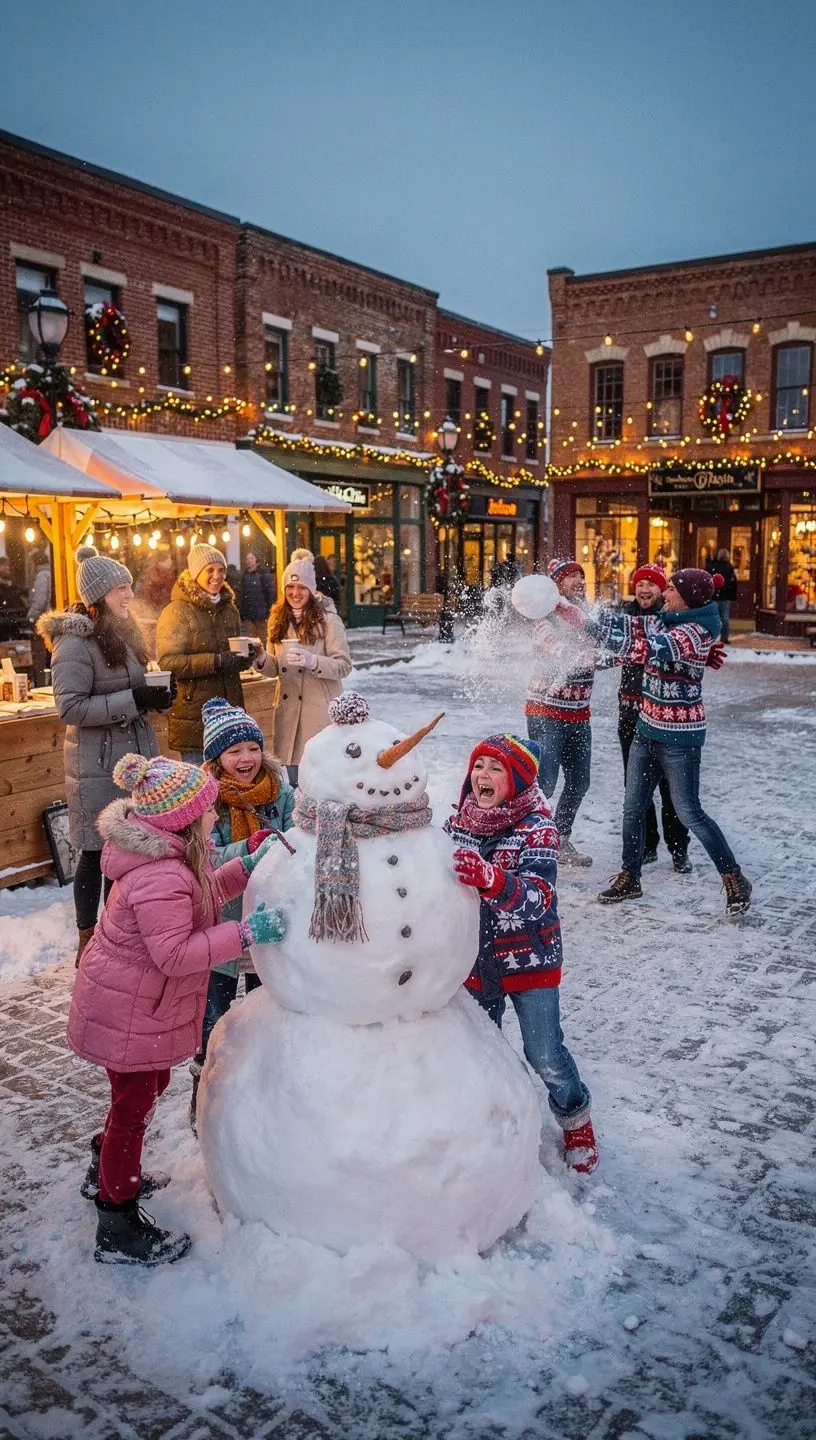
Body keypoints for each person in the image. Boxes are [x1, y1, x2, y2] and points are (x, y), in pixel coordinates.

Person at [67, 752, 285, 1266]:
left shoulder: (173, 859)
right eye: (209, 809)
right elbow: (176, 953)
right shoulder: (159, 876)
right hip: (130, 1008)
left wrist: (244, 866)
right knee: (134, 1105)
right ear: (186, 820)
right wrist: (245, 933)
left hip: (135, 1002)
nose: (215, 814)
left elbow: (203, 892)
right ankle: (115, 1218)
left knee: (143, 1090)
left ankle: (107, 1166)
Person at [445, 734, 598, 1174]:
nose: (483, 777)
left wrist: (494, 880)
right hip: (476, 960)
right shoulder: (457, 825)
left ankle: (576, 1120)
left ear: (515, 779)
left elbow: (540, 897)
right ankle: (490, 1125)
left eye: (495, 769)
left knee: (544, 1052)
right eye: (479, 766)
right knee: (481, 1048)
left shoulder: (537, 828)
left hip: (530, 960)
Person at [566, 568, 752, 915]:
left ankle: (734, 876)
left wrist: (606, 638)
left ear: (688, 598)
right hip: (646, 730)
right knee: (632, 807)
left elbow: (649, 648)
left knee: (689, 811)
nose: (664, 594)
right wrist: (572, 613)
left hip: (679, 739)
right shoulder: (666, 620)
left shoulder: (697, 630)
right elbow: (629, 628)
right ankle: (630, 876)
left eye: (671, 590)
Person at [37, 546, 174, 966]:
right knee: (96, 854)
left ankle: (118, 937)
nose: (130, 595)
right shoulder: (74, 643)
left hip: (134, 761)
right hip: (97, 766)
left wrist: (156, 697)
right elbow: (71, 709)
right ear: (98, 595)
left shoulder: (123, 633)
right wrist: (133, 698)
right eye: (120, 588)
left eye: (130, 586)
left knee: (128, 852)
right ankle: (86, 939)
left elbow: (133, 690)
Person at [188, 696, 296, 1127]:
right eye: (234, 751)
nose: (246, 758)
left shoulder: (280, 789)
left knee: (261, 1013)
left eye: (252, 747)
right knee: (211, 1017)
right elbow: (203, 858)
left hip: (266, 920)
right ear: (217, 758)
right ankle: (202, 1090)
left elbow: (295, 839)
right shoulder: (203, 802)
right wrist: (248, 851)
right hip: (222, 924)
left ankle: (255, 1095)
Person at [524, 558, 604, 866]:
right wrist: (603, 656)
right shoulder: (542, 620)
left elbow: (604, 637)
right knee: (545, 781)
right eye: (570, 576)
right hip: (546, 709)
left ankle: (559, 837)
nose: (578, 581)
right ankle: (529, 839)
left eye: (581, 575)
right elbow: (563, 652)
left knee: (579, 781)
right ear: (556, 585)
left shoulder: (587, 616)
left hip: (578, 711)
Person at [253, 548, 351, 786]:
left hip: (316, 712)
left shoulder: (329, 620)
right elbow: (277, 667)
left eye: (301, 588)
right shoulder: (277, 620)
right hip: (288, 715)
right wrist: (260, 658)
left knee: (320, 784)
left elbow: (344, 665)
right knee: (295, 784)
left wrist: (313, 661)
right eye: (290, 587)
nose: (295, 593)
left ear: (311, 589)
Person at [618, 566, 691, 873]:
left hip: (663, 717)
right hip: (630, 714)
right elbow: (614, 650)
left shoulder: (670, 620)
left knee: (672, 789)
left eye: (651, 584)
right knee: (636, 787)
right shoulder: (626, 617)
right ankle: (647, 846)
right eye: (639, 584)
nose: (644, 588)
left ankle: (678, 849)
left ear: (663, 590)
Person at [156, 543, 255, 762]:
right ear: (195, 573)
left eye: (221, 570)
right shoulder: (176, 611)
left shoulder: (230, 609)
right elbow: (167, 662)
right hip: (195, 718)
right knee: (201, 789)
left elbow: (234, 652)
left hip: (230, 714)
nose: (216, 576)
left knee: (230, 790)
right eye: (209, 570)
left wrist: (245, 657)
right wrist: (216, 661)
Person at [238, 550, 276, 641]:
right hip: (248, 614)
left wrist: (268, 610)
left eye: (251, 558)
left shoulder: (263, 574)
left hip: (261, 613)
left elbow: (270, 594)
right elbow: (242, 594)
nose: (248, 561)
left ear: (257, 561)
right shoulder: (243, 575)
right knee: (251, 640)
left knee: (263, 638)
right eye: (247, 559)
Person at [707, 548, 738, 642]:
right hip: (725, 597)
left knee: (713, 617)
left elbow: (708, 580)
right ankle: (724, 638)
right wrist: (732, 595)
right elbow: (733, 582)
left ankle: (710, 637)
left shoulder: (712, 566)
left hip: (714, 596)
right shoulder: (729, 567)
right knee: (725, 618)